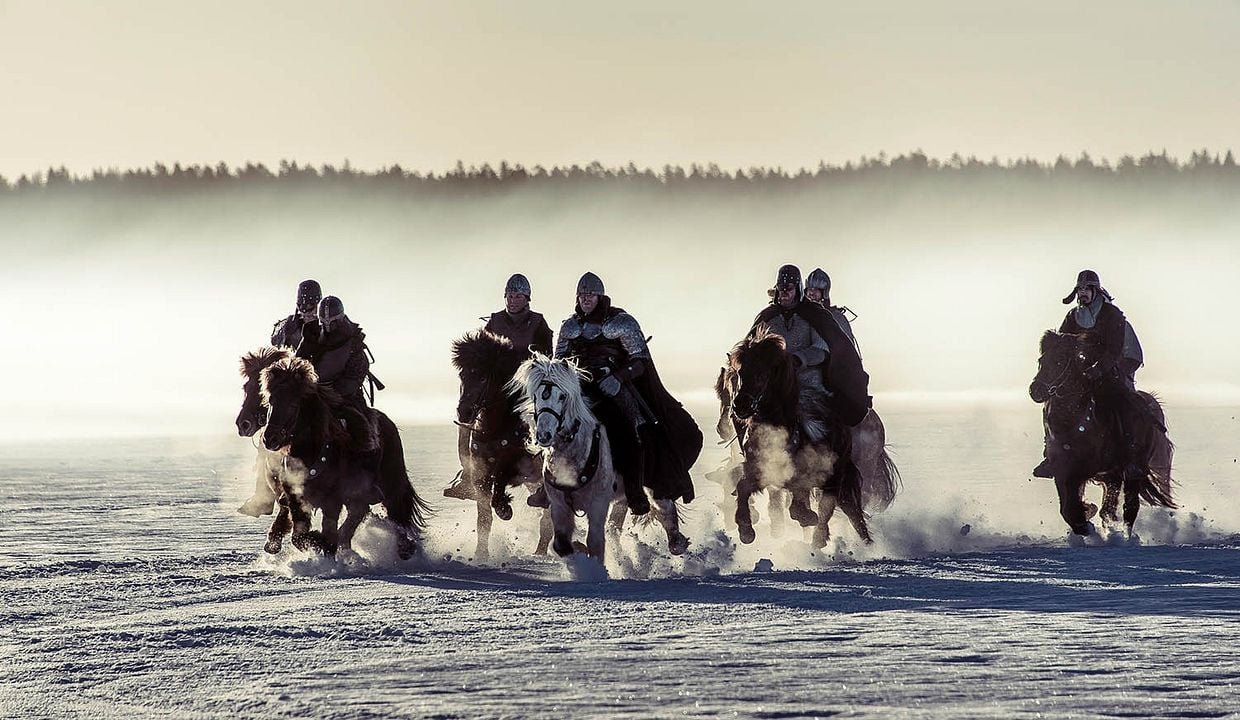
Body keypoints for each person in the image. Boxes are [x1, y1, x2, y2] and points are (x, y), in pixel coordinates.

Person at [547, 271, 702, 515]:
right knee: (551, 425)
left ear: (600, 296)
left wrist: (618, 377)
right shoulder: (569, 327)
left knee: (632, 432)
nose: (586, 299)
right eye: (582, 295)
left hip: (616, 389)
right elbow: (559, 363)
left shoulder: (620, 322)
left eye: (590, 295)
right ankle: (548, 486)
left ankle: (635, 492)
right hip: (580, 391)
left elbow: (640, 360)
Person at [744, 264, 871, 524]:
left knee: (814, 425)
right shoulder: (767, 317)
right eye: (781, 289)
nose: (784, 294)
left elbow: (823, 349)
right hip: (776, 388)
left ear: (797, 289)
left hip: (808, 385)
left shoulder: (812, 316)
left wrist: (799, 359)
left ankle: (824, 466)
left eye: (789, 289)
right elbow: (750, 347)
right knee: (750, 419)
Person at [445, 273, 554, 500]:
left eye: (518, 296)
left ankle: (546, 473)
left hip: (524, 387)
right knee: (467, 420)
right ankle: (468, 474)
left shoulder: (538, 323)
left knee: (542, 418)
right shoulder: (494, 321)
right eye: (510, 296)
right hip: (496, 387)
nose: (513, 300)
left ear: (527, 298)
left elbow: (545, 357)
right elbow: (481, 352)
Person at [1032, 269, 1144, 478]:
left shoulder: (1113, 315)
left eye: (1086, 289)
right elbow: (1062, 344)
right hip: (1081, 375)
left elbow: (1115, 349)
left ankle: (1130, 459)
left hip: (1110, 373)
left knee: (1122, 404)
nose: (1082, 293)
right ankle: (1051, 455)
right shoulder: (1073, 316)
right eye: (1079, 289)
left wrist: (1099, 370)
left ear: (1095, 291)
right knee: (1053, 404)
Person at [296, 296, 379, 453]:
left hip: (344, 398)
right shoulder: (312, 335)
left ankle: (364, 463)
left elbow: (356, 374)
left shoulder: (353, 342)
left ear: (340, 319)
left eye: (332, 322)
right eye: (324, 322)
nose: (327, 326)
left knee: (359, 427)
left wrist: (331, 393)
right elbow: (299, 361)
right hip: (313, 393)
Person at [804, 268, 860, 356]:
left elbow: (848, 350)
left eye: (816, 290)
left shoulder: (836, 317)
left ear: (824, 292)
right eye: (809, 289)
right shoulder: (801, 316)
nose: (811, 293)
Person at [271, 279, 321, 349]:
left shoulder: (325, 328)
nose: (306, 314)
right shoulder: (288, 326)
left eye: (311, 306)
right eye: (300, 306)